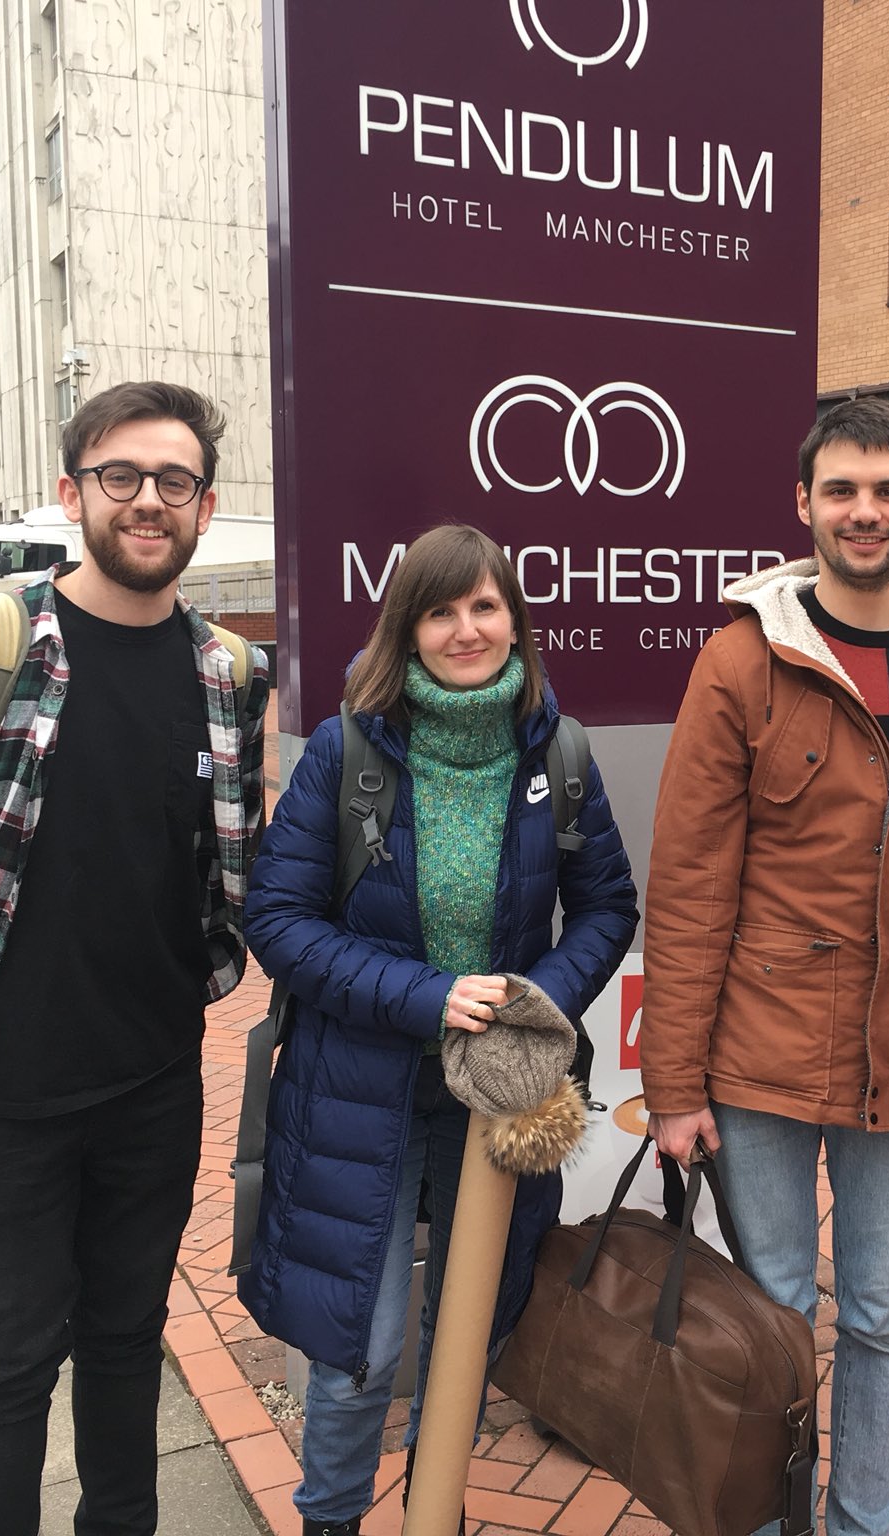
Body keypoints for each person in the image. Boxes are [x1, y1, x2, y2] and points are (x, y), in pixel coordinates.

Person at [0, 381, 269, 1536]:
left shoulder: (227, 671)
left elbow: (228, 865)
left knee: (127, 1341)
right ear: (74, 492)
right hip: (0, 1090)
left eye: (173, 481)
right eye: (120, 476)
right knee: (11, 1359)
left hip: (155, 1078)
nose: (146, 500)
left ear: (203, 506)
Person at [641, 397, 889, 1536]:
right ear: (802, 505)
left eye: (887, 490)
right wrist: (671, 1084)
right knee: (771, 1314)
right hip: (759, 1057)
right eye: (842, 491)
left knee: (877, 1317)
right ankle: (772, 1523)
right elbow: (689, 887)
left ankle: (859, 1525)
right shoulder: (738, 661)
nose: (864, 513)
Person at [240, 523, 638, 1536]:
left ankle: (434, 1514)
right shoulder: (346, 751)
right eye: (440, 610)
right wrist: (426, 996)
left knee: (467, 1334)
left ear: (514, 620)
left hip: (498, 1095)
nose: (466, 629)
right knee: (357, 1353)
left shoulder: (559, 748)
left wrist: (536, 995)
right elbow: (278, 922)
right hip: (356, 1093)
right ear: (406, 628)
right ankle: (329, 1521)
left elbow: (605, 908)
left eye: (484, 607)